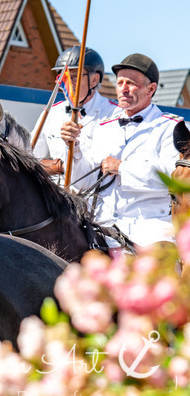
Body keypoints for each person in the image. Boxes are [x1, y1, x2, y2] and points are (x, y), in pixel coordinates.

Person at [69, 53, 183, 247]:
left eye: (131, 83)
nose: (123, 89)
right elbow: (85, 181)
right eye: (120, 83)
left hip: (149, 232)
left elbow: (171, 177)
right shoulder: (103, 127)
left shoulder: (171, 127)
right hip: (101, 227)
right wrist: (74, 148)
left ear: (151, 89)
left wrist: (122, 168)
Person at [32, 46, 117, 189]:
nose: (67, 84)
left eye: (74, 77)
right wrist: (59, 166)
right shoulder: (51, 113)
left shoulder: (115, 114)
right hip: (56, 196)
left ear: (94, 80)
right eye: (62, 77)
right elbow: (31, 158)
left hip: (95, 197)